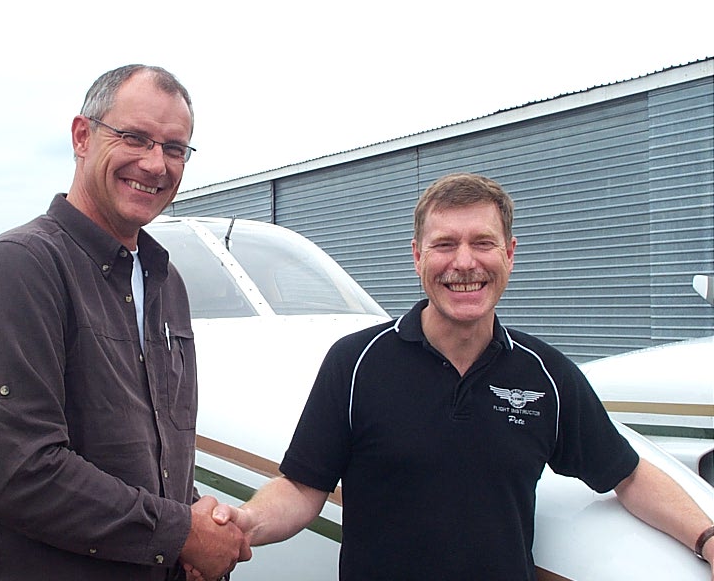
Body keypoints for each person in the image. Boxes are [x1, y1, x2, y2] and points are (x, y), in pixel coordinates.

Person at [206, 172, 714, 580]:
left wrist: (706, 540)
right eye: (445, 244)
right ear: (418, 257)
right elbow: (301, 487)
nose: (464, 263)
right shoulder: (355, 363)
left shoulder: (547, 375)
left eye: (483, 243)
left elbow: (627, 473)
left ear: (510, 254)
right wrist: (247, 522)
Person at [0, 64, 249, 581]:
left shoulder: (164, 283)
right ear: (82, 137)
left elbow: (154, 452)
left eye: (175, 148)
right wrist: (181, 532)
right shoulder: (20, 266)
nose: (156, 164)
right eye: (135, 138)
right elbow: (19, 473)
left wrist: (196, 523)